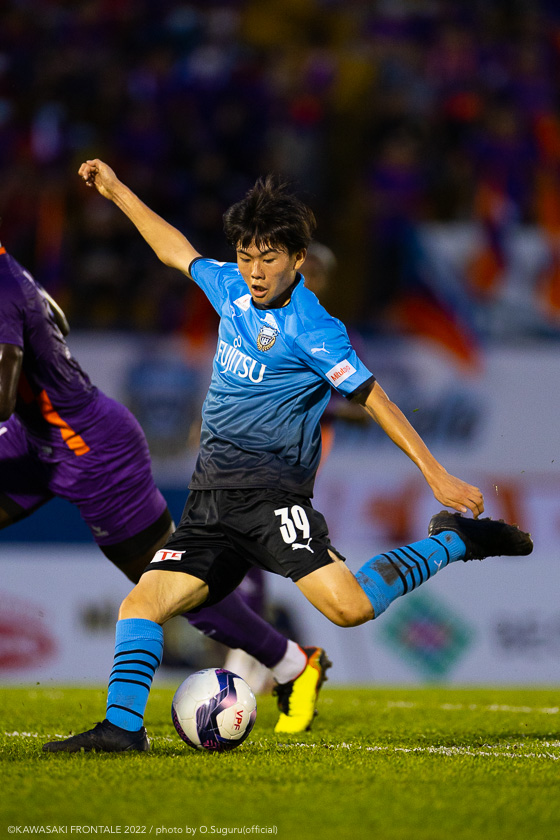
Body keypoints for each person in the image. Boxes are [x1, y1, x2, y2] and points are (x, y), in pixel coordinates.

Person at [43, 162, 533, 753]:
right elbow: (177, 251)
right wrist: (118, 190)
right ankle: (123, 730)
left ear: (298, 259)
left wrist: (437, 474)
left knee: (348, 609)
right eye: (246, 256)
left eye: (268, 258)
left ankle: (453, 539)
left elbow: (374, 398)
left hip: (272, 502)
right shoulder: (230, 287)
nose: (254, 271)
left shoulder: (315, 328)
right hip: (209, 504)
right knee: (141, 604)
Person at [0, 242, 331, 735]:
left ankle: (289, 663)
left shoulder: (3, 284)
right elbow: (56, 320)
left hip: (93, 451)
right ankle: (290, 664)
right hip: (33, 439)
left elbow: (2, 398)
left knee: (170, 588)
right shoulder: (12, 271)